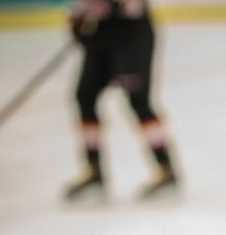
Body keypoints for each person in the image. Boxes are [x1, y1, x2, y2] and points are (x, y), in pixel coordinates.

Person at [64, 0, 178, 200]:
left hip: (131, 31)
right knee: (85, 95)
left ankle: (165, 168)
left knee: (138, 99)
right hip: (101, 29)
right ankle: (93, 169)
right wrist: (79, 16)